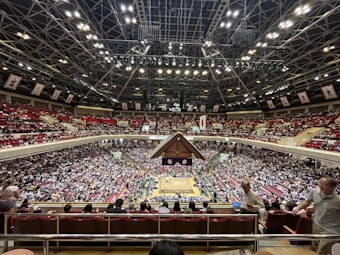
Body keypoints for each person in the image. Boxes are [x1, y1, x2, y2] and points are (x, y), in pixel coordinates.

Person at [292, 176, 340, 255]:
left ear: (333, 188)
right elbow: (308, 201)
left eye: (324, 184)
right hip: (317, 224)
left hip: (331, 230)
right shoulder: (314, 192)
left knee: (322, 251)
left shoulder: (338, 200)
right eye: (320, 183)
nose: (320, 185)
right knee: (315, 246)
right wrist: (298, 208)